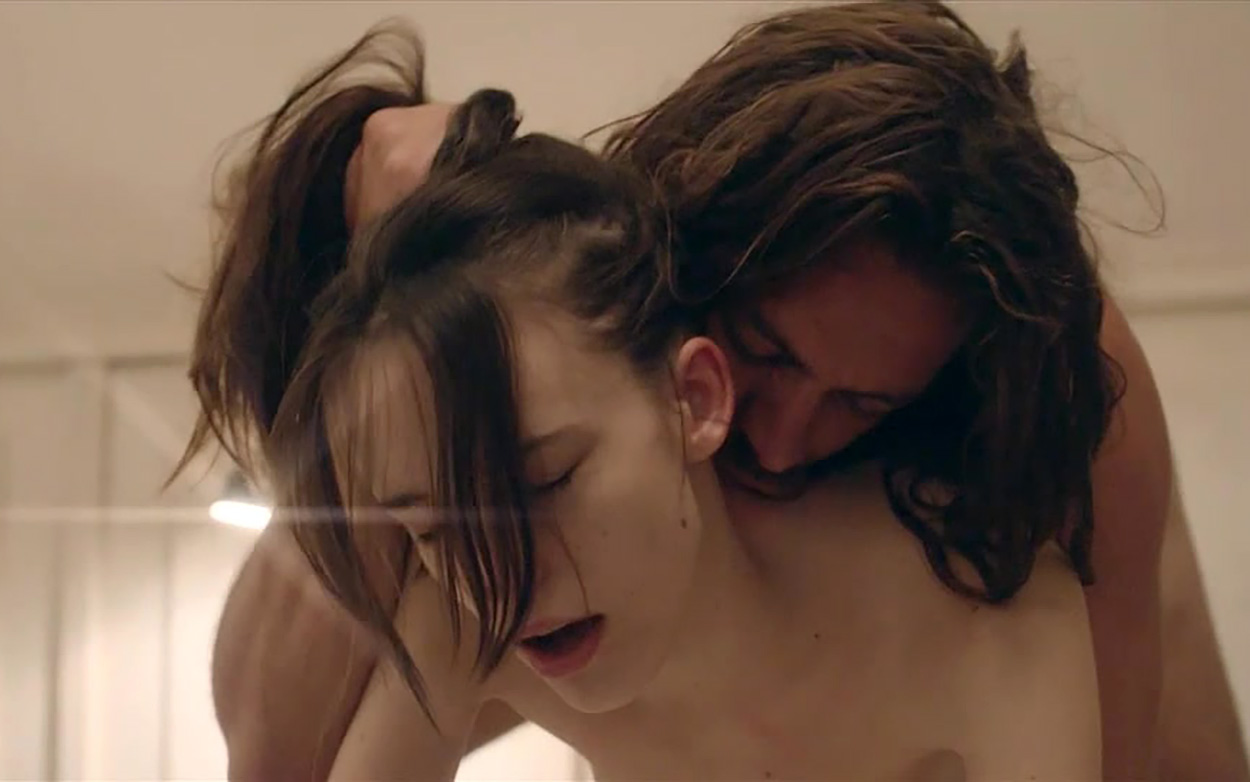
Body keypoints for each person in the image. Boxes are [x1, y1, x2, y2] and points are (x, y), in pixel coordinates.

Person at [196, 3, 1248, 780]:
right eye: (767, 353)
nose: (780, 442)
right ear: (685, 342)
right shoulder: (600, 290)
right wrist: (396, 289)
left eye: (864, 404)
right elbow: (275, 748)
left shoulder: (1052, 392)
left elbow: (1117, 724)